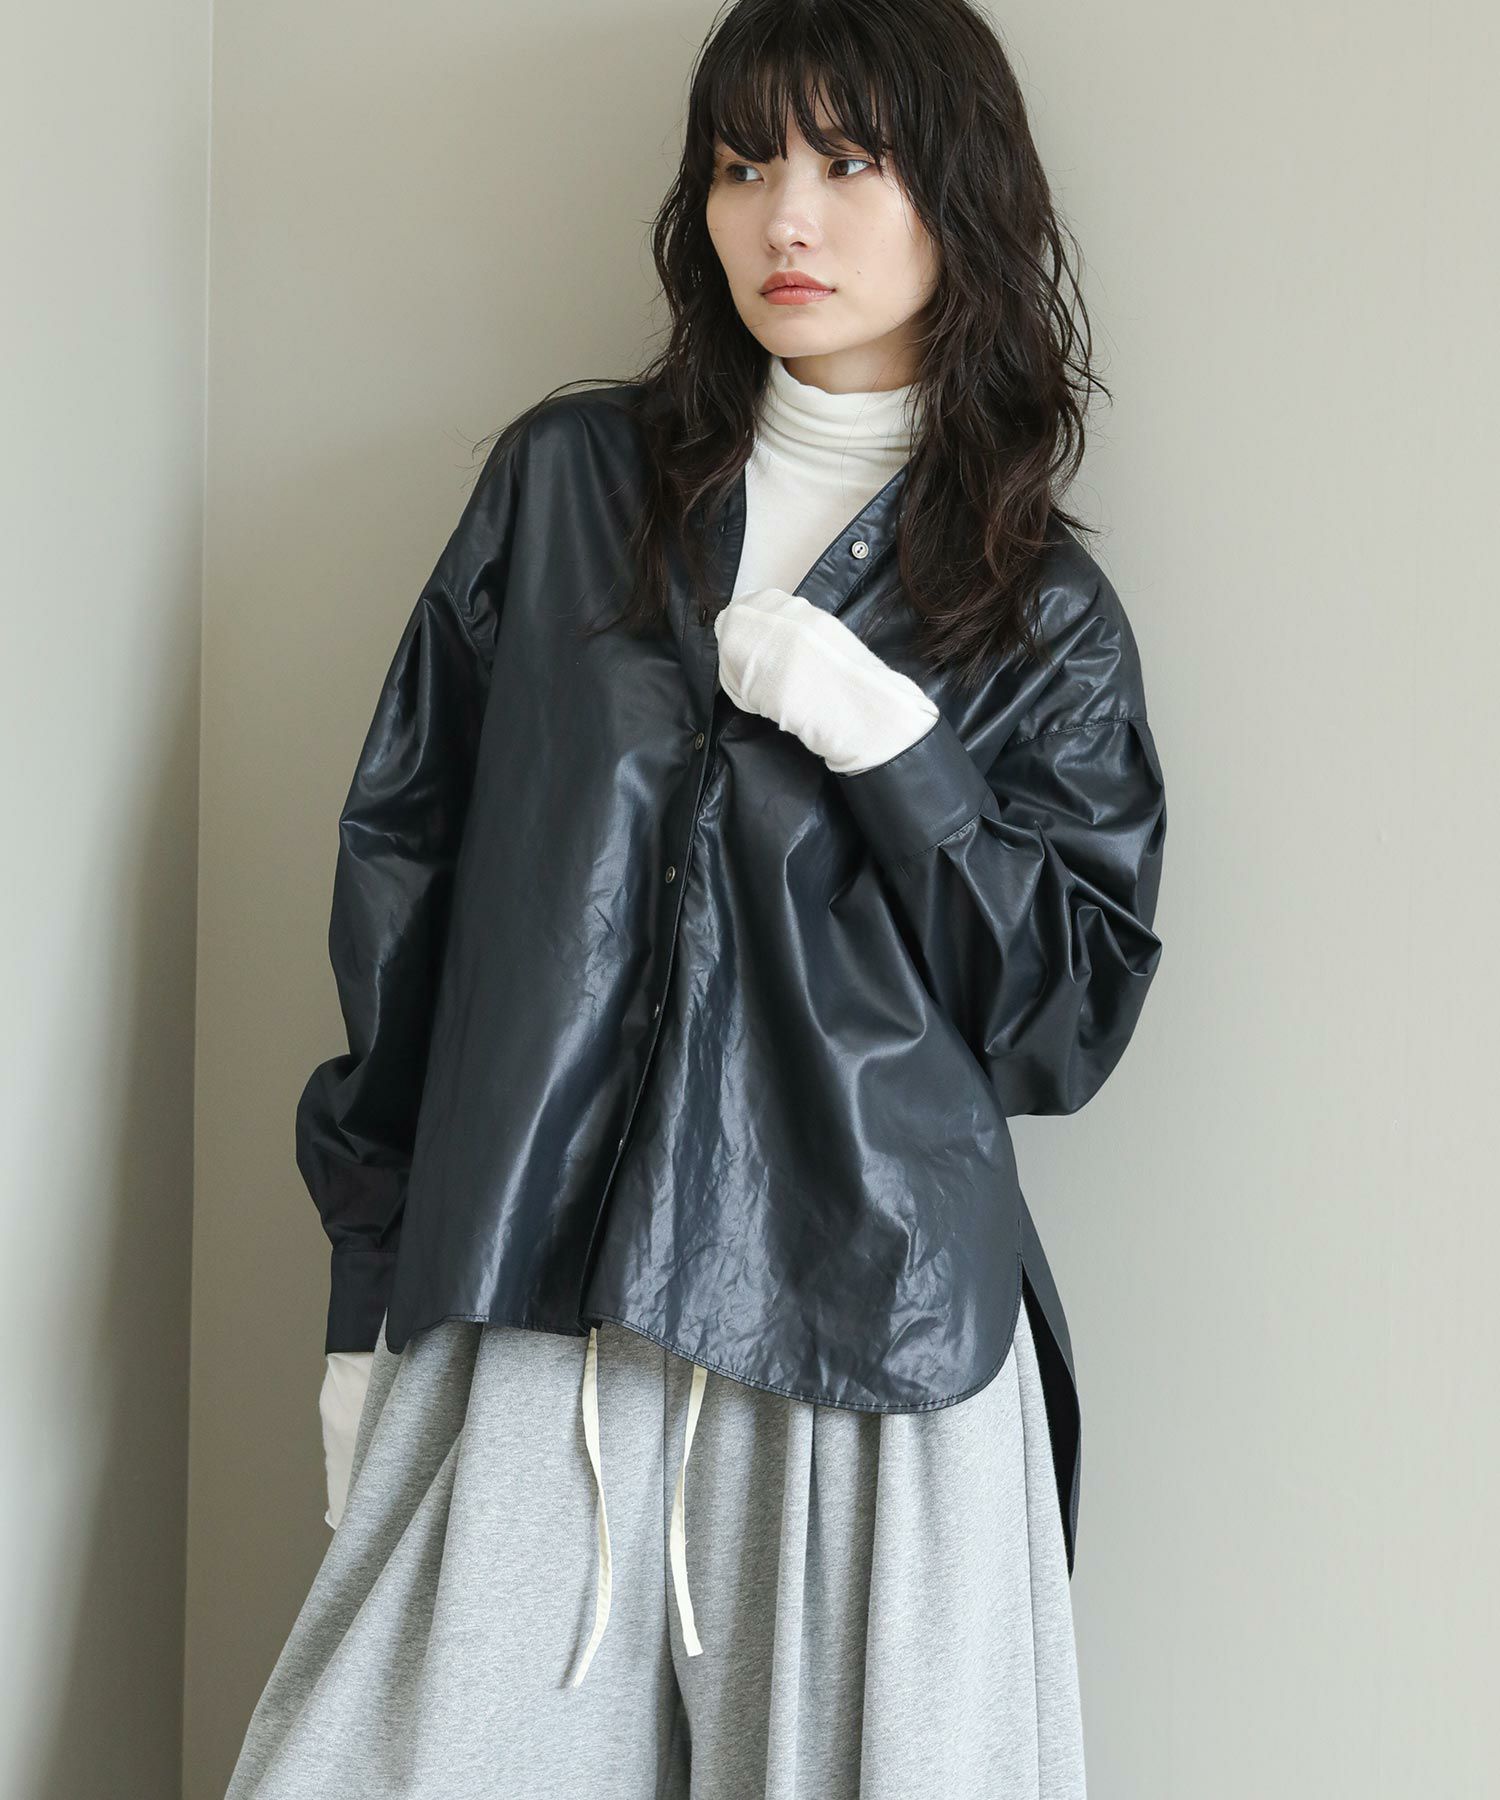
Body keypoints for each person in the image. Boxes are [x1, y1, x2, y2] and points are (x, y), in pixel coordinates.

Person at [226, 1, 1167, 1794]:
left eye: (847, 161)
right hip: (536, 1289)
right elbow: (406, 885)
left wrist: (897, 748)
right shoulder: (567, 489)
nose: (783, 218)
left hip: (875, 1339)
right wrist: (368, 1293)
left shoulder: (1039, 613)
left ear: (958, 195)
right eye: (743, 166)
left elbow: (1062, 1023)